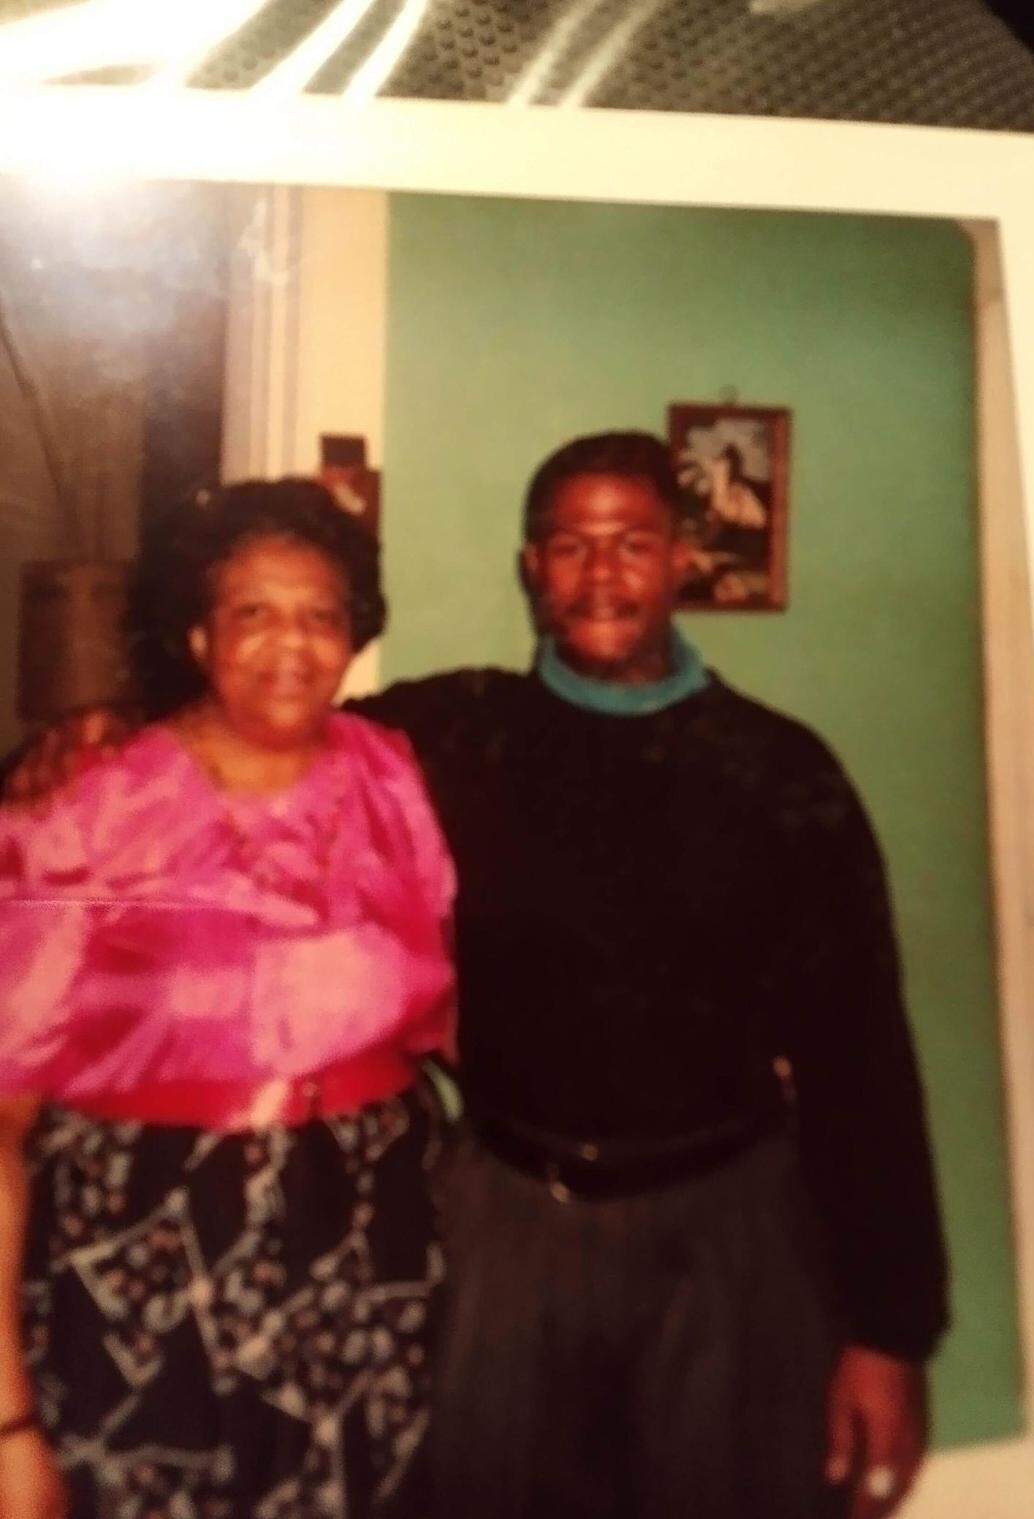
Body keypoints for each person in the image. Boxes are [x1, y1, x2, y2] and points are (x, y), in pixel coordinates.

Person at [8, 434, 948, 1519]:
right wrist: (102, 727)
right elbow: (262, 724)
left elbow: (863, 1062)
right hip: (505, 1226)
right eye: (569, 546)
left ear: (682, 559)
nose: (601, 573)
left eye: (633, 543)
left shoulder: (785, 773)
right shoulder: (450, 735)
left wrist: (890, 1329)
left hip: (723, 1228)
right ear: (531, 569)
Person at [0, 480, 455, 1519]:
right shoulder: (85, 806)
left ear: (354, 637)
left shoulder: (394, 773)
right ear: (199, 635)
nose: (289, 645)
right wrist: (6, 1423)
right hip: (143, 1263)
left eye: (320, 614)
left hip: (373, 1243)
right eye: (253, 613)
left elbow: (455, 1015)